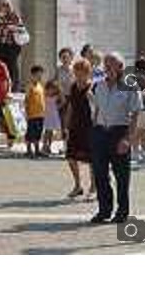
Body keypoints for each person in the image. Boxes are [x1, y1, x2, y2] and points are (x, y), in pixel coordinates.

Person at [90, 52, 141, 224]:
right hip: (100, 132)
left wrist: (128, 139)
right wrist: (94, 131)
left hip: (119, 132)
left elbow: (135, 114)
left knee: (121, 176)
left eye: (112, 65)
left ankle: (122, 211)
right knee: (100, 174)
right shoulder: (99, 86)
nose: (108, 68)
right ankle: (104, 210)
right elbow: (96, 109)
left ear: (121, 67)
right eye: (106, 65)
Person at [63, 58, 96, 199]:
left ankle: (94, 187)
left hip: (90, 127)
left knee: (91, 159)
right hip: (75, 126)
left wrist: (92, 98)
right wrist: (66, 124)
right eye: (76, 73)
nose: (77, 76)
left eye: (80, 73)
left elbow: (98, 106)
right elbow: (70, 106)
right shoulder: (73, 87)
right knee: (70, 157)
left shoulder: (94, 87)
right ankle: (78, 185)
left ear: (88, 73)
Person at [0, 0, 24, 92]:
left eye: (0, 6)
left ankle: (13, 88)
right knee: (1, 65)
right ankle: (2, 86)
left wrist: (11, 28)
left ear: (6, 6)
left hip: (12, 45)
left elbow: (21, 29)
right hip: (1, 44)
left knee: (12, 66)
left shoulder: (15, 16)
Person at [24, 65, 45, 157]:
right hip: (32, 113)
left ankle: (37, 149)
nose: (39, 77)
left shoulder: (40, 86)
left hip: (41, 113)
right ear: (32, 75)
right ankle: (29, 149)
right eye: (37, 75)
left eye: (40, 75)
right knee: (30, 132)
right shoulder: (29, 86)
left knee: (38, 132)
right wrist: (26, 112)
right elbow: (26, 99)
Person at [42, 79, 63, 155]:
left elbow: (62, 101)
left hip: (54, 114)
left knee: (52, 132)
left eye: (53, 88)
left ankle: (49, 146)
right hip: (47, 115)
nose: (51, 90)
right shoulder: (44, 95)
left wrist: (57, 107)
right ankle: (44, 145)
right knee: (47, 131)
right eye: (50, 88)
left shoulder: (56, 96)